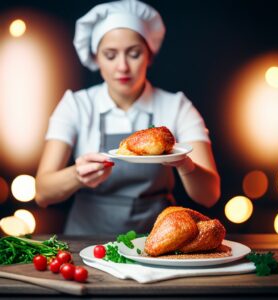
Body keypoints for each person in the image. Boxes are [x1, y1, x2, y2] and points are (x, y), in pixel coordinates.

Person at [35, 0, 220, 235]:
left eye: (134, 54)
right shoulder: (76, 105)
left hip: (156, 242)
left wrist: (184, 163)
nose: (122, 66)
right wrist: (77, 175)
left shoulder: (176, 106)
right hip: (85, 243)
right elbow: (42, 193)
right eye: (110, 55)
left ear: (149, 56)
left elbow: (210, 195)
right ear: (96, 58)